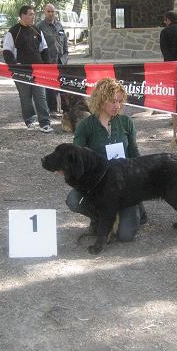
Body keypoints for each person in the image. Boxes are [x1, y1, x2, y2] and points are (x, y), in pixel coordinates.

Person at [67, 78, 147, 241]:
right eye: (112, 101)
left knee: (125, 236)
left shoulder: (126, 123)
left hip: (124, 183)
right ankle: (99, 218)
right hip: (98, 184)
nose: (117, 106)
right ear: (101, 100)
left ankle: (138, 207)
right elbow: (76, 156)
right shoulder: (85, 126)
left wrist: (142, 179)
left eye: (119, 101)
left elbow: (133, 152)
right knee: (73, 200)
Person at [3, 5, 53, 133]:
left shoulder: (37, 30)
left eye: (33, 14)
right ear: (22, 16)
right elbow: (7, 52)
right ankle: (30, 121)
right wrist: (14, 67)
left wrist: (47, 66)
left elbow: (44, 49)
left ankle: (45, 123)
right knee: (25, 97)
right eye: (30, 14)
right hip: (21, 72)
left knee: (40, 96)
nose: (33, 17)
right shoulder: (13, 32)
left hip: (39, 71)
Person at [37, 3, 69, 118]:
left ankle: (66, 109)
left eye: (52, 11)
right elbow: (38, 46)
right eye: (48, 11)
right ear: (44, 12)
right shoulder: (40, 26)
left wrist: (65, 57)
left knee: (64, 86)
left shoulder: (59, 25)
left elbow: (65, 42)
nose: (51, 13)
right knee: (51, 87)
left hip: (61, 61)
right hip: (49, 62)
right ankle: (53, 109)